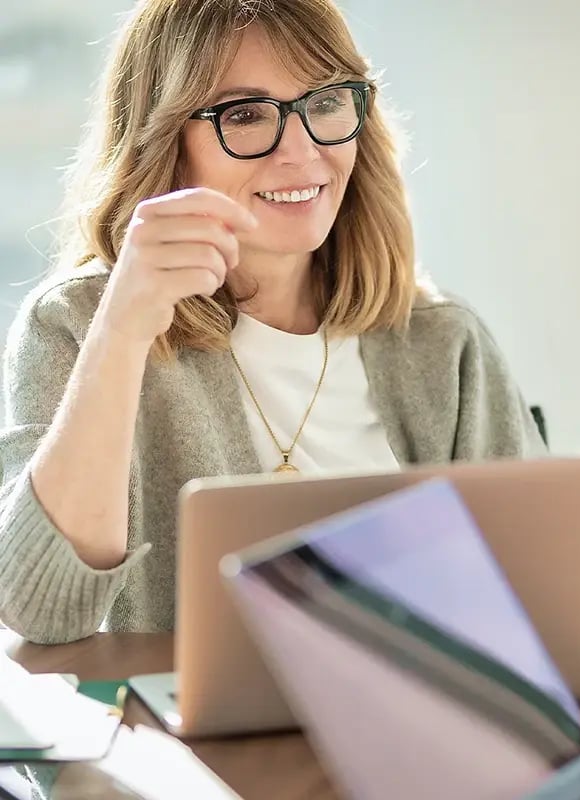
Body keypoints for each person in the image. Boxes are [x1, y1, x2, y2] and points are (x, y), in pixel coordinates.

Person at [0, 0, 544, 645]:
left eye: (324, 102)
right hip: (193, 742)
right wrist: (121, 333)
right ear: (165, 139)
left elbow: (539, 604)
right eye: (245, 115)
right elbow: (44, 612)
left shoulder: (440, 339)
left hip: (422, 727)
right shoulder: (80, 322)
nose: (301, 151)